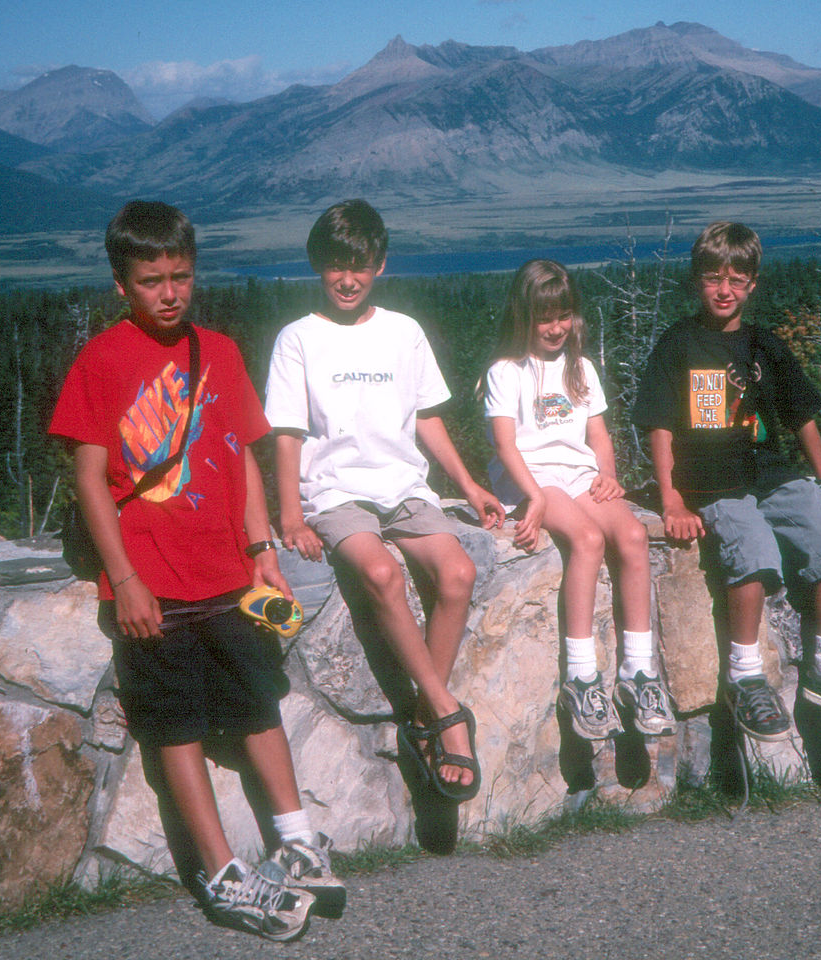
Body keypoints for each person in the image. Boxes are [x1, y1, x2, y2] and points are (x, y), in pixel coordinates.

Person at [49, 200, 342, 942]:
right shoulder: (103, 359)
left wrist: (261, 550)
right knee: (174, 722)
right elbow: (89, 478)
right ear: (122, 284)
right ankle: (219, 871)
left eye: (181, 275)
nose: (171, 292)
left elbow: (243, 451)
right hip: (151, 577)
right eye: (152, 281)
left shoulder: (218, 349)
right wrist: (124, 580)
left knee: (257, 699)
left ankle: (297, 838)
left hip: (226, 571)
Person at [264, 199, 504, 806]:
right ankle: (448, 715)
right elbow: (287, 432)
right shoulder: (300, 339)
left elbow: (427, 419)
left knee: (458, 572)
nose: (348, 279)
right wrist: (290, 511)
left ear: (380, 265)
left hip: (404, 487)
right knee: (377, 570)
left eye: (360, 266)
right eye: (336, 267)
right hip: (336, 492)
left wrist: (470, 484)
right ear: (318, 267)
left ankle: (424, 715)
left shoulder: (404, 332)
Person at [632, 221, 821, 745]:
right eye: (712, 278)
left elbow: (801, 415)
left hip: (771, 474)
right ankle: (745, 675)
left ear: (752, 284)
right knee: (751, 547)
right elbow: (658, 424)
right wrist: (670, 497)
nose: (724, 290)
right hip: (709, 484)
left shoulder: (764, 346)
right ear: (696, 281)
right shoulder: (678, 345)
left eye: (736, 279)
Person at [482, 260, 672, 740]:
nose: (554, 328)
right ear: (523, 315)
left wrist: (608, 476)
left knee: (630, 534)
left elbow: (598, 434)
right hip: (529, 477)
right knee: (586, 539)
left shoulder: (581, 368)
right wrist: (533, 498)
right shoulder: (506, 371)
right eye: (544, 317)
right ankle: (581, 675)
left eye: (563, 316)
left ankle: (637, 670)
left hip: (577, 472)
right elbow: (506, 445)